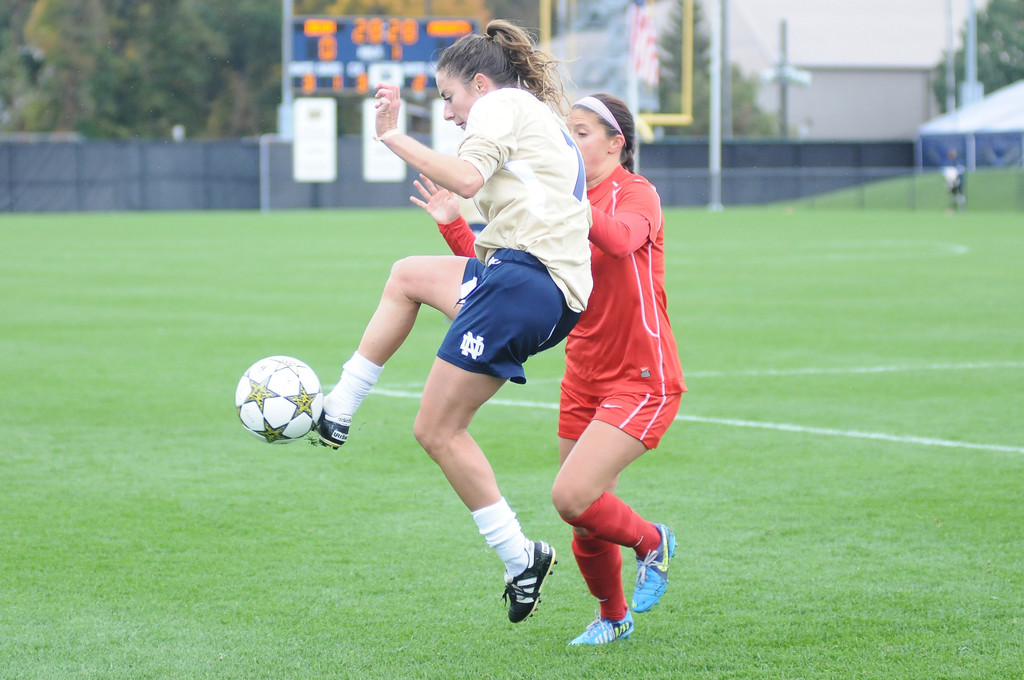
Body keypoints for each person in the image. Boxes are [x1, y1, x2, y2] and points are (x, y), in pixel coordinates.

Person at [315, 20, 593, 624]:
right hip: (533, 283)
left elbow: (466, 176)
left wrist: (391, 136)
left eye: (449, 97)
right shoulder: (527, 116)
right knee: (408, 275)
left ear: (481, 83)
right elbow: (491, 200)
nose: (449, 113)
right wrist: (454, 220)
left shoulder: (502, 104)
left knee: (437, 430)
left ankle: (521, 555)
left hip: (530, 282)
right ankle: (338, 406)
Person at [413, 93, 685, 645]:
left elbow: (623, 238)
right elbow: (506, 278)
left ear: (617, 144)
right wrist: (452, 227)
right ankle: (613, 617)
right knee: (582, 515)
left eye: (581, 132)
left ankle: (653, 541)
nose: (568, 142)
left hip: (641, 375)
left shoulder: (636, 194)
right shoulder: (550, 200)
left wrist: (565, 201)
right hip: (583, 374)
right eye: (566, 133)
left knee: (571, 495)